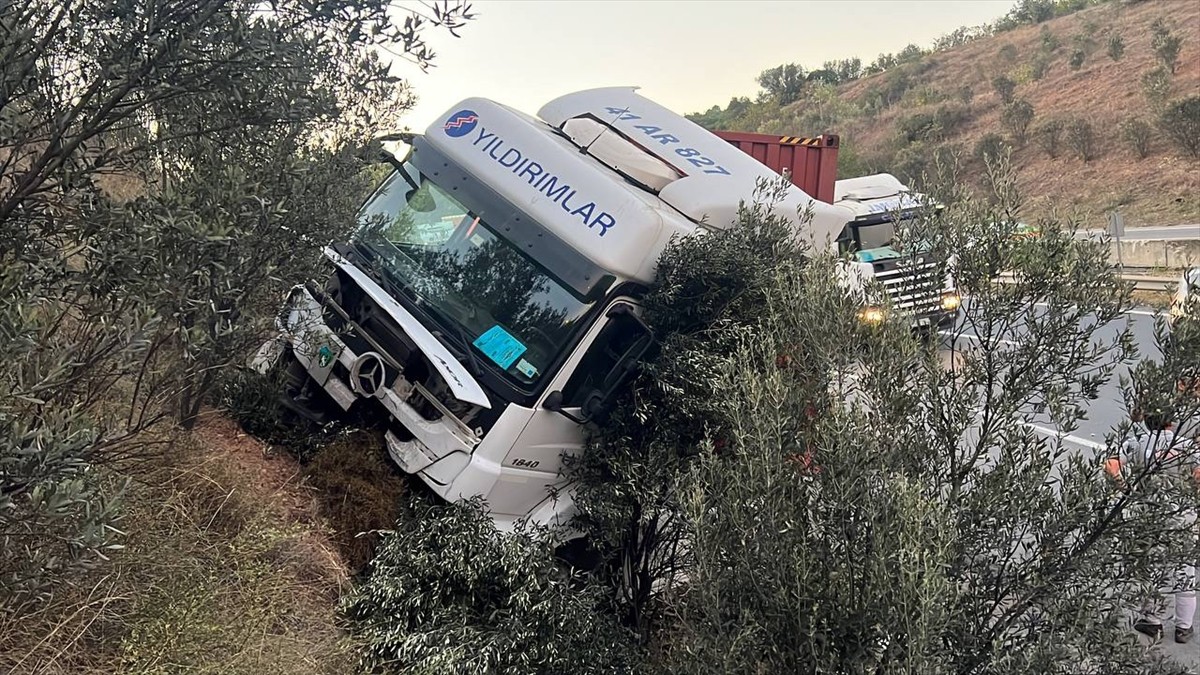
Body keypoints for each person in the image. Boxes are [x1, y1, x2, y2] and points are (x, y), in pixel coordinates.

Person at [1127, 414, 1197, 643]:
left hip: (1150, 514)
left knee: (1150, 568)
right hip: (1182, 515)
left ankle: (1152, 621)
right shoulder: (1186, 446)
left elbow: (1111, 464)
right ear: (1171, 421)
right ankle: (1183, 627)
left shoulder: (1137, 441)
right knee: (1184, 569)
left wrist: (1128, 490)